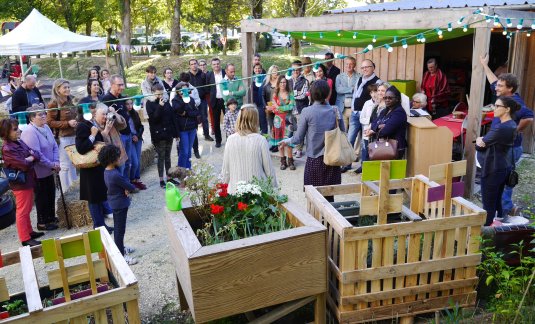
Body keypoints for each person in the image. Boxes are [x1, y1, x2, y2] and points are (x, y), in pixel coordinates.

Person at [480, 54, 534, 217]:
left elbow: (529, 117)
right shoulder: (503, 97)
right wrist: (484, 65)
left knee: (503, 181)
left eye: (501, 86)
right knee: (498, 180)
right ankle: (503, 210)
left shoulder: (516, 103)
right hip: (499, 148)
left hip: (510, 148)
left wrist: (515, 129)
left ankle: (504, 212)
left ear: (509, 88)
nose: (496, 88)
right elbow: (492, 81)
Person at [279, 80, 345, 202]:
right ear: (328, 94)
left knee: (313, 199)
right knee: (329, 198)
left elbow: (298, 138)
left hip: (314, 160)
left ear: (311, 94)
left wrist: (287, 141)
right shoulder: (335, 110)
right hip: (332, 159)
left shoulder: (307, 111)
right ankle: (328, 221)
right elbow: (342, 132)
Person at [1, 119, 45, 246]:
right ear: (6, 132)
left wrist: (30, 157)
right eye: (15, 129)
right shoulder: (8, 148)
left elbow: (36, 155)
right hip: (21, 183)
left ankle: (29, 232)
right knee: (23, 210)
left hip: (27, 180)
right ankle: (25, 238)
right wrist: (30, 157)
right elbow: (24, 164)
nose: (18, 131)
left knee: (27, 208)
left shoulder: (18, 143)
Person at [476, 97, 519, 225]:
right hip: (503, 166)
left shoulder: (501, 128)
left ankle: (486, 231)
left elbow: (479, 145)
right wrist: (483, 140)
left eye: (497, 106)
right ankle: (499, 222)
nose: (494, 109)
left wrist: (480, 140)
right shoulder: (512, 125)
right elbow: (486, 141)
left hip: (493, 168)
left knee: (488, 203)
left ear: (507, 109)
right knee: (497, 198)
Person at [221, 104, 277, 193]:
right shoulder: (261, 140)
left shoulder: (230, 139)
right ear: (256, 120)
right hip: (259, 192)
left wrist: (222, 189)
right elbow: (269, 169)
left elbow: (226, 170)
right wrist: (274, 188)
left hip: (236, 192)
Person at [20, 105, 60, 231]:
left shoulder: (46, 126)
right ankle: (42, 222)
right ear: (32, 118)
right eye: (39, 114)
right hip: (38, 170)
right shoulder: (29, 131)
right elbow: (37, 154)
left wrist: (56, 161)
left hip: (50, 168)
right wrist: (51, 164)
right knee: (42, 195)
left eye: (44, 113)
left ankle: (51, 217)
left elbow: (54, 146)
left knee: (50, 192)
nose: (43, 116)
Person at [99, 144, 139, 265]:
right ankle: (121, 254)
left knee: (118, 228)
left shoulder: (107, 171)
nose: (119, 158)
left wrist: (124, 188)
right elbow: (131, 187)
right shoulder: (115, 174)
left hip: (115, 202)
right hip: (120, 204)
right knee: (120, 229)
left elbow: (120, 186)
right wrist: (128, 188)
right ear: (112, 159)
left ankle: (120, 247)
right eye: (117, 157)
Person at [343, 59, 381, 172]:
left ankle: (363, 166)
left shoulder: (378, 82)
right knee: (350, 139)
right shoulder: (360, 79)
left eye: (367, 67)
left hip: (367, 116)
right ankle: (347, 164)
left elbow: (378, 99)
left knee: (365, 142)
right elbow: (355, 94)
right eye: (363, 67)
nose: (364, 69)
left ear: (373, 67)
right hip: (355, 114)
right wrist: (354, 107)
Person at [46, 79, 78, 191]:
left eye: (68, 87)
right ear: (57, 89)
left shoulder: (71, 100)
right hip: (63, 137)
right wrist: (67, 123)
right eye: (65, 87)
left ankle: (74, 190)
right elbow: (49, 122)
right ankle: (65, 192)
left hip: (74, 135)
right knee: (65, 166)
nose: (68, 89)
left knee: (74, 163)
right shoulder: (53, 104)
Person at [146, 83, 177, 188]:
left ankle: (169, 178)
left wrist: (175, 133)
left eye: (162, 94)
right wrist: (159, 106)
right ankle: (161, 180)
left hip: (168, 134)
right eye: (158, 94)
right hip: (159, 136)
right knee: (161, 157)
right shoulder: (149, 104)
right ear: (153, 93)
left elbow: (172, 117)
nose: (160, 96)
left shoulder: (166, 101)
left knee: (168, 157)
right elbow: (154, 119)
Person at [102, 75, 132, 178]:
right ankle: (121, 190)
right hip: (118, 136)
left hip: (127, 133)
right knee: (120, 164)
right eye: (119, 85)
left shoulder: (121, 98)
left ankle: (127, 187)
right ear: (112, 85)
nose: (122, 87)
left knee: (128, 163)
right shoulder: (106, 99)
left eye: (123, 84)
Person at [365, 86, 408, 160]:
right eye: (385, 98)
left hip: (394, 148)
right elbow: (374, 123)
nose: (387, 100)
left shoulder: (399, 112)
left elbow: (386, 131)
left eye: (390, 98)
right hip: (383, 147)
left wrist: (374, 130)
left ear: (397, 99)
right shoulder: (384, 111)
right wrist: (378, 127)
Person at [268, 75, 296, 170]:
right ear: (278, 84)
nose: (283, 84)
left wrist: (279, 107)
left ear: (286, 83)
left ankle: (290, 160)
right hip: (278, 121)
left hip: (288, 120)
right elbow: (273, 110)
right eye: (281, 82)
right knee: (280, 141)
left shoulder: (290, 94)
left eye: (284, 82)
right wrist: (278, 108)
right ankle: (283, 161)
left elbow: (291, 107)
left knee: (288, 141)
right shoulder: (275, 95)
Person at [172, 81, 200, 169]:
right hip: (182, 129)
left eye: (186, 89)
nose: (184, 91)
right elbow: (178, 110)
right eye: (182, 89)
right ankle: (181, 170)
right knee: (184, 151)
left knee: (189, 151)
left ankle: (188, 169)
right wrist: (184, 101)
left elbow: (196, 112)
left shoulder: (191, 99)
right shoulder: (175, 100)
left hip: (192, 128)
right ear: (178, 91)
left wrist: (186, 113)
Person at [188, 59, 213, 141]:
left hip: (202, 100)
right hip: (191, 102)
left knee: (204, 118)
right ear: (189, 66)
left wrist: (203, 92)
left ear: (197, 64)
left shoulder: (202, 74)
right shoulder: (187, 76)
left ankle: (206, 135)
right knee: (192, 119)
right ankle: (193, 137)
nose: (193, 65)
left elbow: (207, 85)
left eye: (195, 63)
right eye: (191, 64)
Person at [289, 60, 310, 158]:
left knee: (300, 130)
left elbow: (303, 96)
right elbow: (285, 94)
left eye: (297, 70)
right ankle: (295, 147)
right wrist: (294, 94)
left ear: (300, 70)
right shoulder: (288, 80)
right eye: (293, 70)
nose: (295, 72)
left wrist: (292, 96)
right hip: (290, 109)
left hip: (300, 109)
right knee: (293, 129)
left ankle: (299, 150)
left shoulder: (305, 81)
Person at [357, 84, 379, 174]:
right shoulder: (367, 103)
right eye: (372, 92)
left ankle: (370, 169)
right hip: (367, 131)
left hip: (376, 132)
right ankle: (363, 166)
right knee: (365, 150)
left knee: (374, 151)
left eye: (376, 91)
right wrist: (369, 121)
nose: (374, 94)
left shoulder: (382, 104)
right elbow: (361, 118)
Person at [125, 99, 146, 190]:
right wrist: (132, 136)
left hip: (138, 139)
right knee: (134, 162)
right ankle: (132, 180)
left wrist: (137, 135)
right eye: (127, 104)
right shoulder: (123, 116)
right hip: (130, 139)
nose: (129, 106)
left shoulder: (135, 113)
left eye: (131, 103)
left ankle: (137, 179)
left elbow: (141, 126)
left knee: (138, 160)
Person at [206, 57, 226, 147]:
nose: (216, 65)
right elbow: (207, 88)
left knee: (229, 121)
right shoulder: (209, 75)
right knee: (216, 122)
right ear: (211, 65)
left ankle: (230, 139)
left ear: (220, 64)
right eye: (214, 64)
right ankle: (218, 141)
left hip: (226, 100)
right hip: (215, 101)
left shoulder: (225, 72)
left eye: (217, 64)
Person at [335, 57, 359, 128]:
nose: (348, 66)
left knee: (353, 132)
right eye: (347, 64)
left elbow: (358, 91)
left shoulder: (359, 77)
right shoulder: (339, 77)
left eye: (351, 64)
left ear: (354, 65)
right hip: (342, 109)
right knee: (343, 131)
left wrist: (344, 90)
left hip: (353, 109)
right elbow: (338, 90)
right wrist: (352, 89)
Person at [263, 65, 279, 148]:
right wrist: (265, 106)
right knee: (271, 126)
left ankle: (277, 143)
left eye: (277, 71)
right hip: (269, 108)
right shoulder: (266, 82)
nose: (276, 73)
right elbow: (262, 96)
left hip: (278, 108)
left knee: (277, 125)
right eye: (274, 71)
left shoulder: (280, 82)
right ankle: (273, 143)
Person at [252, 63, 268, 135]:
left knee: (262, 118)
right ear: (253, 69)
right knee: (255, 119)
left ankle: (264, 133)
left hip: (262, 102)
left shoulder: (265, 78)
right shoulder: (251, 78)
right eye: (256, 68)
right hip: (255, 101)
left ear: (261, 69)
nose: (257, 70)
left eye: (259, 68)